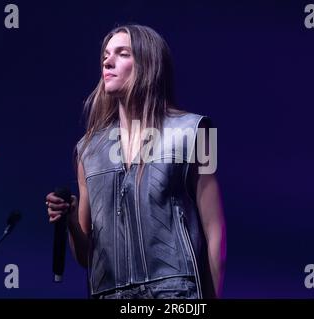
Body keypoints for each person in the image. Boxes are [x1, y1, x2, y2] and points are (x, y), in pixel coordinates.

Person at [45, 24, 226, 299]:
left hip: (175, 295)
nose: (108, 61)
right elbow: (86, 257)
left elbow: (215, 231)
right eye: (106, 55)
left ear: (148, 64)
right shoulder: (88, 150)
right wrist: (70, 220)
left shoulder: (195, 131)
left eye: (122, 53)